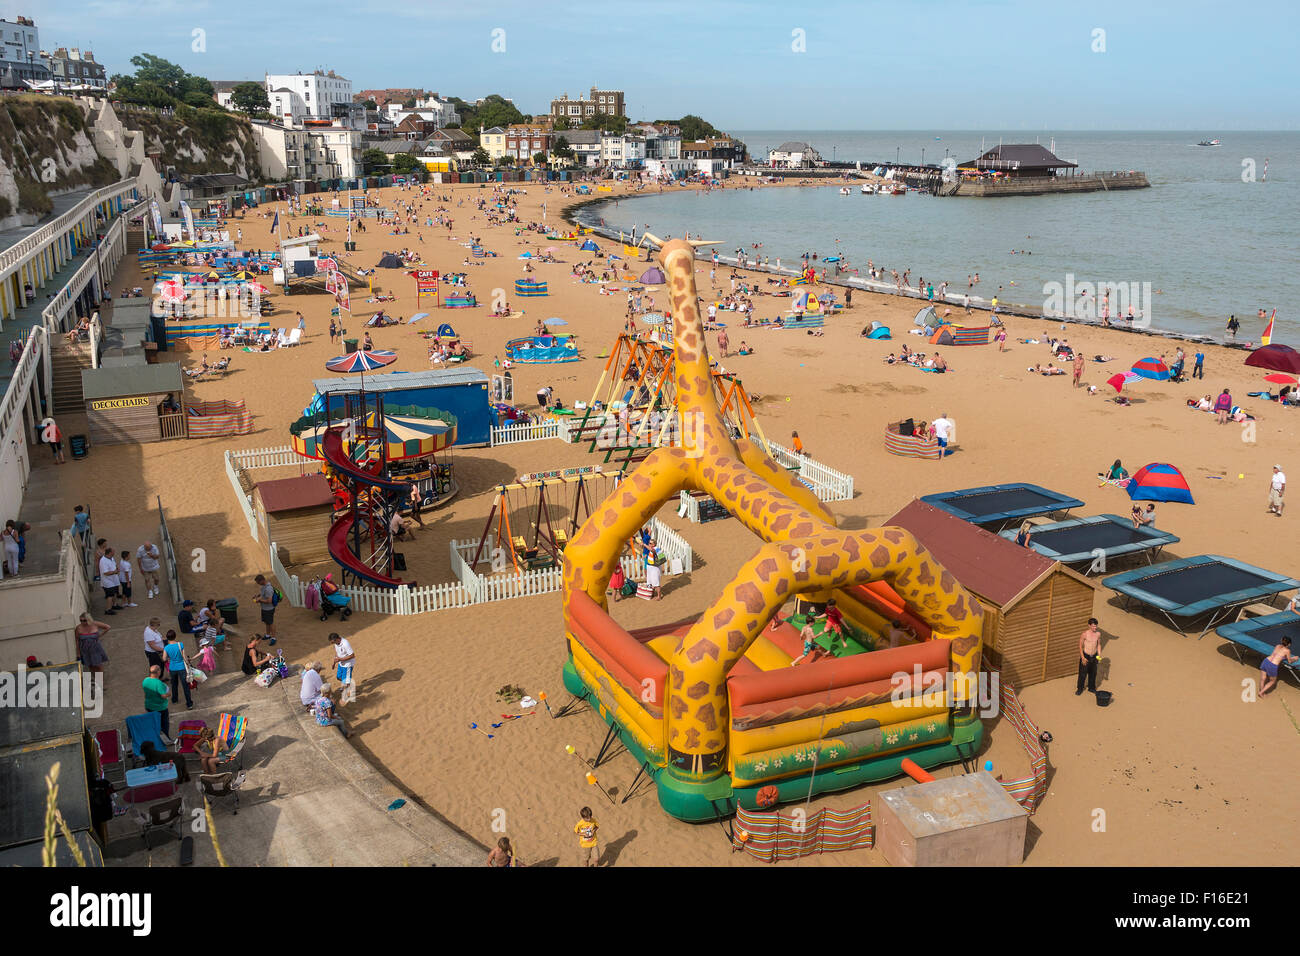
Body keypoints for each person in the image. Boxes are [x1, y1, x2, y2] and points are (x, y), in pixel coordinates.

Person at [163, 630, 193, 710]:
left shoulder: (166, 647)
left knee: (174, 684)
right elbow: (185, 657)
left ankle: (174, 699)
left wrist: (169, 658)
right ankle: (189, 703)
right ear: (175, 636)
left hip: (172, 668)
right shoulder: (180, 644)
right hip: (182, 668)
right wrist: (188, 664)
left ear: (167, 638)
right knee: (185, 686)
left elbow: (164, 658)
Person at [143, 664, 172, 738]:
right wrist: (169, 694)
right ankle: (166, 738)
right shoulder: (159, 683)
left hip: (149, 706)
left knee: (154, 723)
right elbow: (163, 695)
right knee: (164, 724)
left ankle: (155, 737)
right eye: (159, 669)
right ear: (158, 672)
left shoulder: (145, 680)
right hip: (160, 708)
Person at [1077, 618, 1102, 695]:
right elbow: (1080, 646)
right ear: (1089, 626)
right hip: (1086, 656)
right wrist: (1083, 657)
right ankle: (1080, 688)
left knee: (1093, 673)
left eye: (1096, 626)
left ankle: (1091, 688)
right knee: (1082, 674)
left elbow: (1099, 645)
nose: (1095, 628)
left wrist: (1099, 655)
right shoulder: (1085, 634)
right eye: (1093, 626)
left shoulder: (1098, 634)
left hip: (1094, 656)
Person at [329, 632, 356, 702]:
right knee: (338, 677)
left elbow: (352, 655)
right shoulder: (336, 643)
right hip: (341, 663)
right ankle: (347, 684)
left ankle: (348, 691)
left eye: (333, 642)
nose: (333, 644)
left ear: (337, 639)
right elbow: (337, 652)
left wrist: (340, 659)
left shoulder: (345, 644)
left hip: (348, 664)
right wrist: (334, 663)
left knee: (346, 680)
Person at [97, 546, 122, 614]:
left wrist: (117, 567)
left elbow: (114, 563)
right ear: (110, 553)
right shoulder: (103, 561)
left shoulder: (111, 558)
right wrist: (115, 572)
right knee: (110, 595)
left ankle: (114, 605)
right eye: (113, 552)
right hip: (107, 581)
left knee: (114, 593)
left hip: (113, 580)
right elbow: (105, 573)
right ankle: (108, 609)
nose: (114, 553)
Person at [253, 573, 278, 639]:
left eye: (258, 582)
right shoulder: (263, 587)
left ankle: (273, 638)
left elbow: (269, 601)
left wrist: (260, 600)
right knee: (267, 622)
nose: (258, 583)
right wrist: (257, 596)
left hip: (269, 609)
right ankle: (267, 635)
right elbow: (262, 594)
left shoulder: (268, 589)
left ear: (262, 580)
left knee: (271, 623)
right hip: (264, 608)